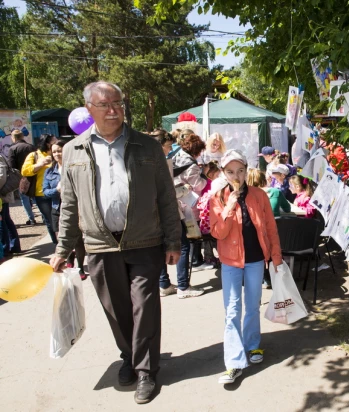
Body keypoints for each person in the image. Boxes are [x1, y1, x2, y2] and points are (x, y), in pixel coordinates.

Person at [49, 81, 181, 405]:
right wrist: (62, 249)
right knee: (116, 311)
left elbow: (166, 196)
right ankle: (129, 357)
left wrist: (173, 239)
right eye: (105, 105)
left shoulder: (146, 146)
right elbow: (69, 205)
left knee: (145, 306)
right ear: (89, 109)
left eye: (118, 103)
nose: (114, 110)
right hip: (100, 245)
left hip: (145, 240)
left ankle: (147, 371)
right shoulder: (73, 151)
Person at [209, 149, 283, 384]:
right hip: (230, 261)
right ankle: (233, 362)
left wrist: (276, 257)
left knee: (252, 305)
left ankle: (252, 346)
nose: (236, 176)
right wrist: (230, 205)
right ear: (223, 173)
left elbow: (270, 228)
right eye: (230, 172)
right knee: (232, 311)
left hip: (255, 260)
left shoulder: (259, 195)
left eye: (240, 171)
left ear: (247, 171)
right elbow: (218, 232)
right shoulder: (217, 198)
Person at [160, 133, 208, 298]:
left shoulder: (169, 159)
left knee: (161, 245)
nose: (170, 148)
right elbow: (197, 185)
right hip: (173, 207)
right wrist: (203, 175)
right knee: (184, 245)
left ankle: (164, 284)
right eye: (168, 145)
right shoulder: (166, 161)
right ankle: (183, 286)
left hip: (158, 210)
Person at [42, 140, 87, 280]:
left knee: (78, 240)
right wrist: (56, 189)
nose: (57, 154)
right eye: (54, 151)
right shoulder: (50, 171)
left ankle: (80, 267)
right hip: (57, 209)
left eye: (59, 150)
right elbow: (45, 191)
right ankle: (69, 264)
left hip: (76, 208)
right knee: (61, 238)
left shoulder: (75, 167)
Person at [21, 134, 58, 244]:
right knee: (50, 220)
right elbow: (25, 171)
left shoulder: (58, 153)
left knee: (61, 219)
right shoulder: (34, 155)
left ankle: (66, 246)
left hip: (59, 192)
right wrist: (40, 164)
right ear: (47, 144)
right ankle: (57, 244)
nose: (56, 144)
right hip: (42, 194)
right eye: (54, 142)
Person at [8, 129, 37, 225]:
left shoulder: (13, 149)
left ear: (13, 138)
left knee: (24, 198)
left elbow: (12, 166)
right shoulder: (31, 147)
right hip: (33, 174)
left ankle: (31, 219)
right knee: (36, 196)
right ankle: (45, 218)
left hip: (21, 177)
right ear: (22, 137)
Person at [0, 153, 21, 256]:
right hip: (3, 194)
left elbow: (1, 176)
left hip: (2, 194)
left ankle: (5, 248)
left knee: (3, 221)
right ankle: (13, 245)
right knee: (6, 219)